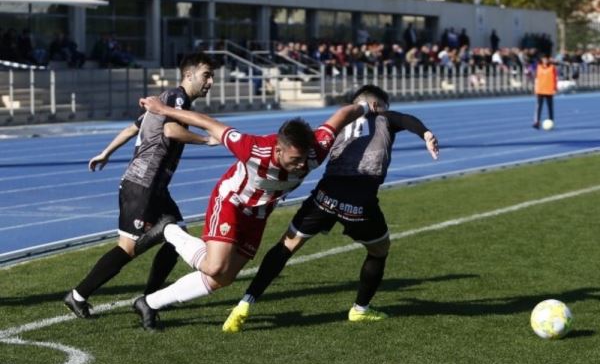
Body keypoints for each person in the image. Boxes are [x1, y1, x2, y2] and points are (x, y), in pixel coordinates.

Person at [130, 92, 384, 330]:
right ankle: (170, 230)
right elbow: (207, 122)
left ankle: (149, 303)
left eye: (305, 159)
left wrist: (364, 107)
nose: (302, 165)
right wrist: (162, 108)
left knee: (224, 279)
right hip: (232, 201)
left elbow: (340, 116)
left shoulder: (316, 148)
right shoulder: (252, 148)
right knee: (214, 266)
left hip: (260, 214)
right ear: (278, 149)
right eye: (295, 160)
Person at [221, 85, 439, 333]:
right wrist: (426, 133)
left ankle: (244, 304)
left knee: (286, 246)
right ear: (375, 105)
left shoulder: (338, 123)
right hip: (359, 198)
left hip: (325, 194)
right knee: (379, 251)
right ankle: (360, 310)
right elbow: (406, 119)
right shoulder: (382, 117)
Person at [63, 53, 218, 318]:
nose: (211, 82)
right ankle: (78, 295)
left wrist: (106, 153)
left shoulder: (167, 100)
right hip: (143, 185)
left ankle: (150, 300)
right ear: (189, 74)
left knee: (176, 238)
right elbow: (171, 132)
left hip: (155, 187)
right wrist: (207, 140)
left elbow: (132, 128)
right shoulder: (177, 99)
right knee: (128, 248)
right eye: (207, 75)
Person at [532, 54, 557, 129]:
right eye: (543, 59)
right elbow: (535, 77)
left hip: (549, 89)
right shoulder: (538, 67)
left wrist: (555, 88)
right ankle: (537, 122)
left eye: (546, 59)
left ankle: (551, 121)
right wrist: (535, 88)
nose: (545, 60)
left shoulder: (552, 67)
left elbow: (555, 78)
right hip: (540, 89)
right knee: (539, 107)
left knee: (550, 107)